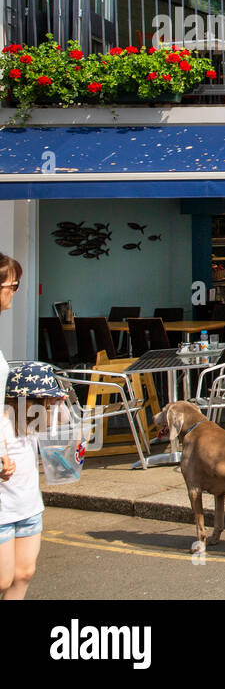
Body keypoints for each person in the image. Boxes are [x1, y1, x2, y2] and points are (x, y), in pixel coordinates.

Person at [1, 252, 53, 600]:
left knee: (23, 573)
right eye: (13, 285)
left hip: (22, 487)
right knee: (2, 578)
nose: (15, 292)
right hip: (4, 478)